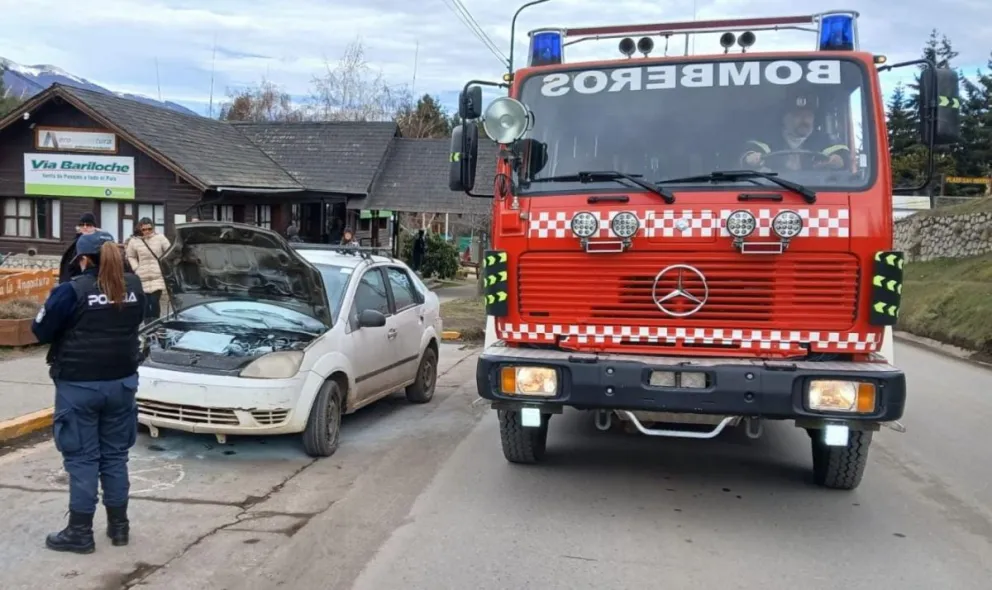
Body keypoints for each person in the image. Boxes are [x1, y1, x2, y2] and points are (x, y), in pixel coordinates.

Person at [32, 231, 146, 554]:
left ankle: (80, 532)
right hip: (122, 385)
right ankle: (119, 527)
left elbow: (40, 331)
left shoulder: (71, 291)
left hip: (79, 386)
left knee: (83, 459)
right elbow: (137, 322)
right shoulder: (133, 288)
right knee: (115, 456)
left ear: (83, 260)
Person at [740, 90, 850, 172]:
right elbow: (749, 153)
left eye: (808, 115)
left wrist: (839, 160)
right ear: (785, 119)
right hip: (774, 191)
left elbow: (844, 156)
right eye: (797, 115)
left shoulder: (826, 141)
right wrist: (750, 158)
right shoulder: (768, 140)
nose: (804, 120)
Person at [125, 218, 171, 321]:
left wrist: (164, 266)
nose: (147, 231)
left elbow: (169, 253)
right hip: (142, 276)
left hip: (157, 276)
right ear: (140, 229)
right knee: (145, 303)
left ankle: (155, 325)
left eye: (149, 229)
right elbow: (130, 256)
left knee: (154, 302)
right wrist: (136, 267)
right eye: (144, 229)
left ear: (153, 228)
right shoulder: (134, 241)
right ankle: (147, 327)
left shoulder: (160, 238)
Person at [58, 213, 98, 284]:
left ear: (94, 228)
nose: (85, 227)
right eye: (82, 225)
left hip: (90, 282)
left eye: (88, 225)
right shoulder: (75, 242)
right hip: (73, 281)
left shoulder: (98, 243)